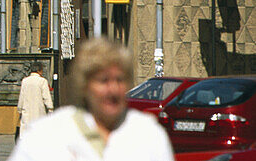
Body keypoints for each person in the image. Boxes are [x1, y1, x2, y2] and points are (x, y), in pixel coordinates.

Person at [9, 38, 174, 161]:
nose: (113, 89)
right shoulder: (47, 135)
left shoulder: (147, 134)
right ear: (85, 85)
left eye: (120, 80)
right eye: (103, 81)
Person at [16, 62, 53, 136]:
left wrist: (19, 109)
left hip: (26, 111)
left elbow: (22, 97)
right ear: (39, 71)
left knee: (26, 133)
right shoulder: (42, 81)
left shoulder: (25, 81)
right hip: (39, 111)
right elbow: (46, 97)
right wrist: (50, 108)